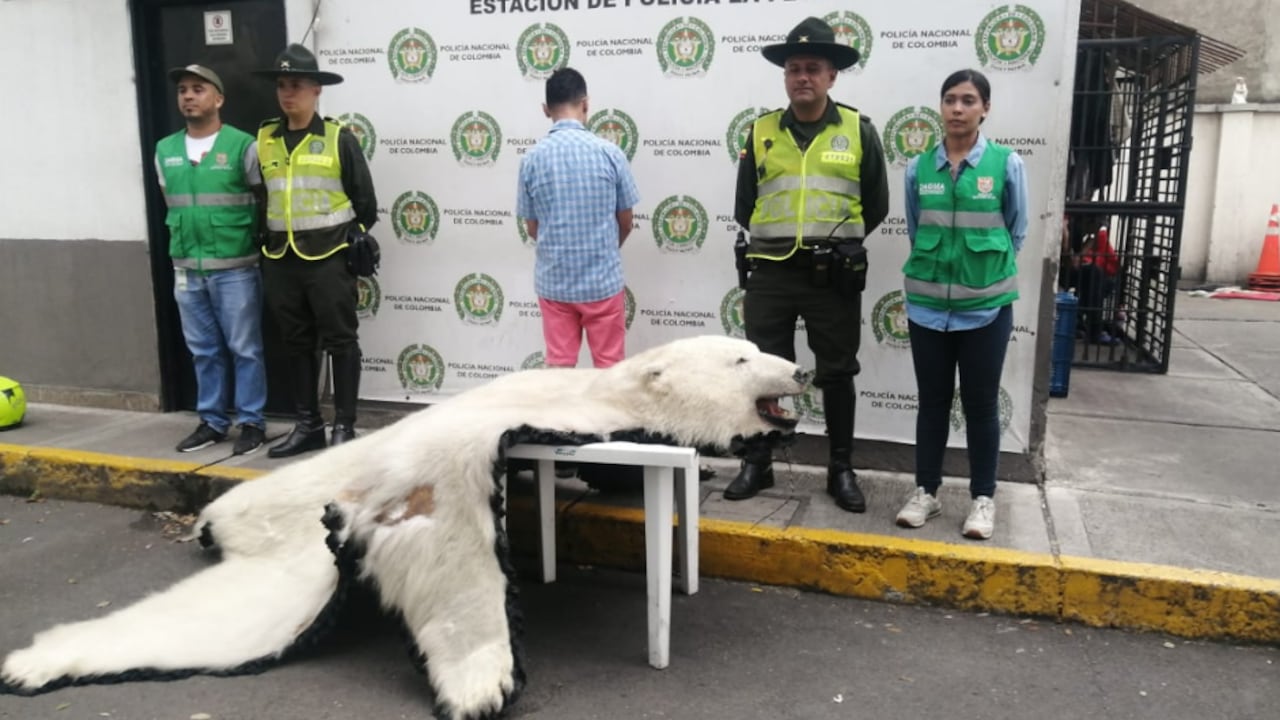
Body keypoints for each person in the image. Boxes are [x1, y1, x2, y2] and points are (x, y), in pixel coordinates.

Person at [727, 17, 889, 513]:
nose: (803, 77)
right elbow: (745, 204)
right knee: (760, 372)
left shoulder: (859, 131)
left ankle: (840, 468)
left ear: (831, 75)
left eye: (813, 68)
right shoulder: (761, 132)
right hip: (771, 273)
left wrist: (834, 245)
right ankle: (759, 462)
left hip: (831, 276)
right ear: (784, 76)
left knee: (837, 373)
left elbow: (876, 205)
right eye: (794, 68)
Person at [895, 69, 1029, 540]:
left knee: (980, 405)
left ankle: (983, 498)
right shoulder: (918, 169)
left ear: (985, 108)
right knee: (931, 404)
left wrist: (978, 272)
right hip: (928, 308)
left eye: (968, 100)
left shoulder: (1006, 164)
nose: (957, 108)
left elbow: (1016, 230)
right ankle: (926, 493)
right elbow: (916, 229)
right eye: (949, 99)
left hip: (985, 308)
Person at [251, 44, 378, 458]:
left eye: (298, 85)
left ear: (316, 91)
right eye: (283, 86)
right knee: (297, 342)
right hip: (280, 260)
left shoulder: (338, 138)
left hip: (328, 258)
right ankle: (308, 426)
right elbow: (261, 198)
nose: (288, 93)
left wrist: (354, 240)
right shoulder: (265, 139)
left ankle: (344, 426)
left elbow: (366, 205)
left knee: (341, 340)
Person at [155, 64, 268, 456]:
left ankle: (252, 422)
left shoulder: (242, 145)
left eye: (198, 89)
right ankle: (213, 422)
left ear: (218, 99)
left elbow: (261, 198)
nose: (188, 96)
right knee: (203, 350)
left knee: (245, 348)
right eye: (183, 90)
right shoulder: (165, 150)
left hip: (235, 267)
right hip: (187, 268)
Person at [517, 67, 640, 370]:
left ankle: (560, 420)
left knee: (559, 370)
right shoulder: (610, 153)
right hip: (603, 282)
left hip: (555, 283)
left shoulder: (531, 159)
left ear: (546, 110)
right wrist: (605, 249)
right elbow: (626, 222)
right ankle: (610, 420)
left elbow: (532, 228)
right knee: (610, 369)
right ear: (586, 104)